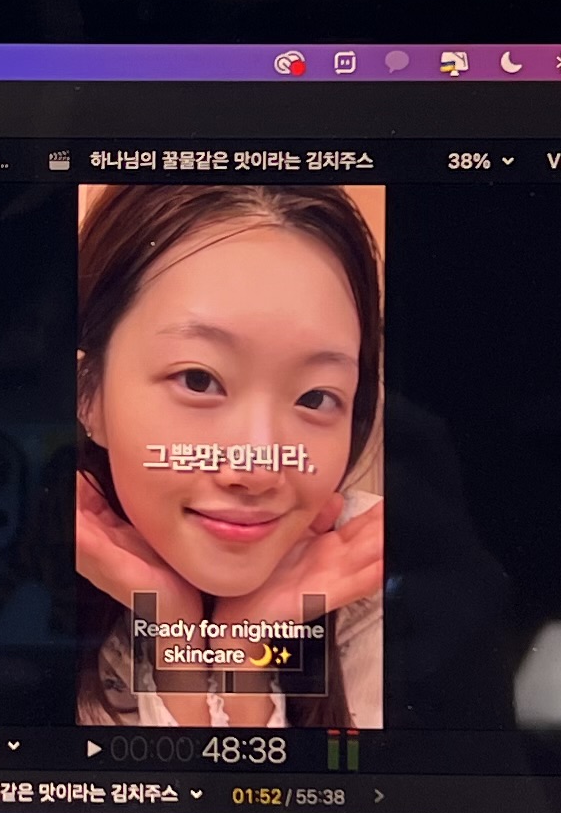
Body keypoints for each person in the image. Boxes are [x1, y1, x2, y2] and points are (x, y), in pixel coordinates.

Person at [70, 184, 385, 730]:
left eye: (315, 397)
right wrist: (171, 636)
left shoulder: (379, 589)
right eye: (198, 379)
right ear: (87, 394)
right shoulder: (1, 589)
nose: (259, 469)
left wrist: (245, 656)